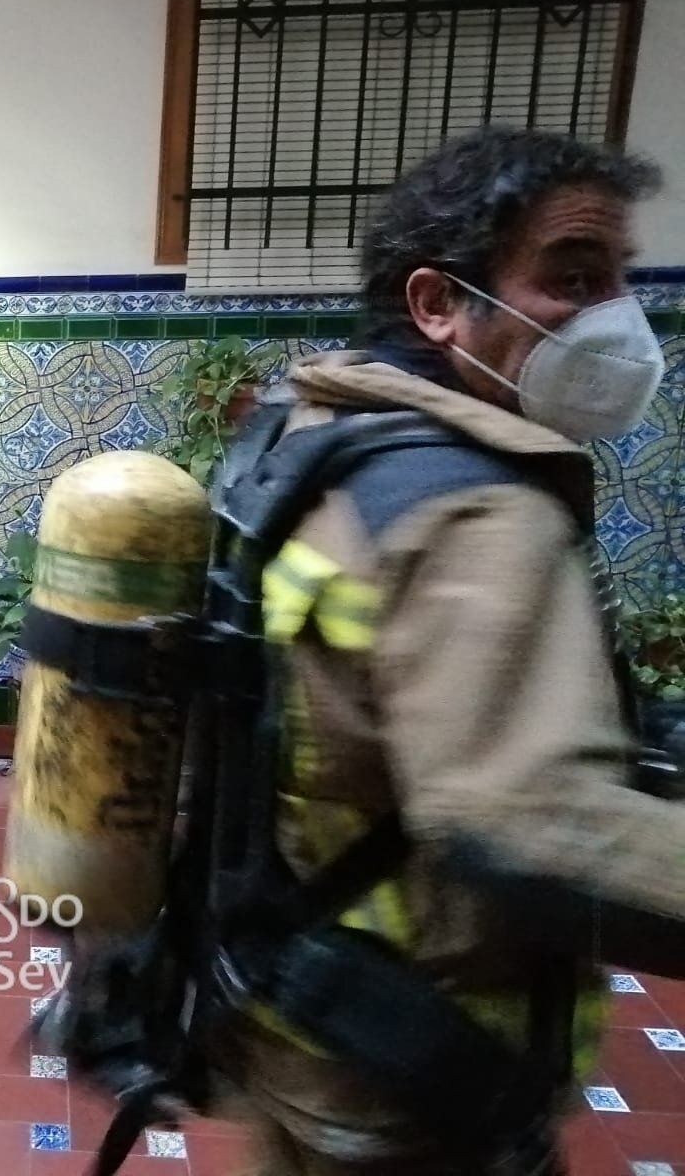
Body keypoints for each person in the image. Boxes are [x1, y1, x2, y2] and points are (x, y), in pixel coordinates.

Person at [216, 126, 685, 1174]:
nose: (612, 317)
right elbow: (532, 828)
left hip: (292, 1006)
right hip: (420, 1058)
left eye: (616, 279)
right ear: (438, 304)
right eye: (571, 276)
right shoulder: (474, 513)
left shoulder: (308, 436)